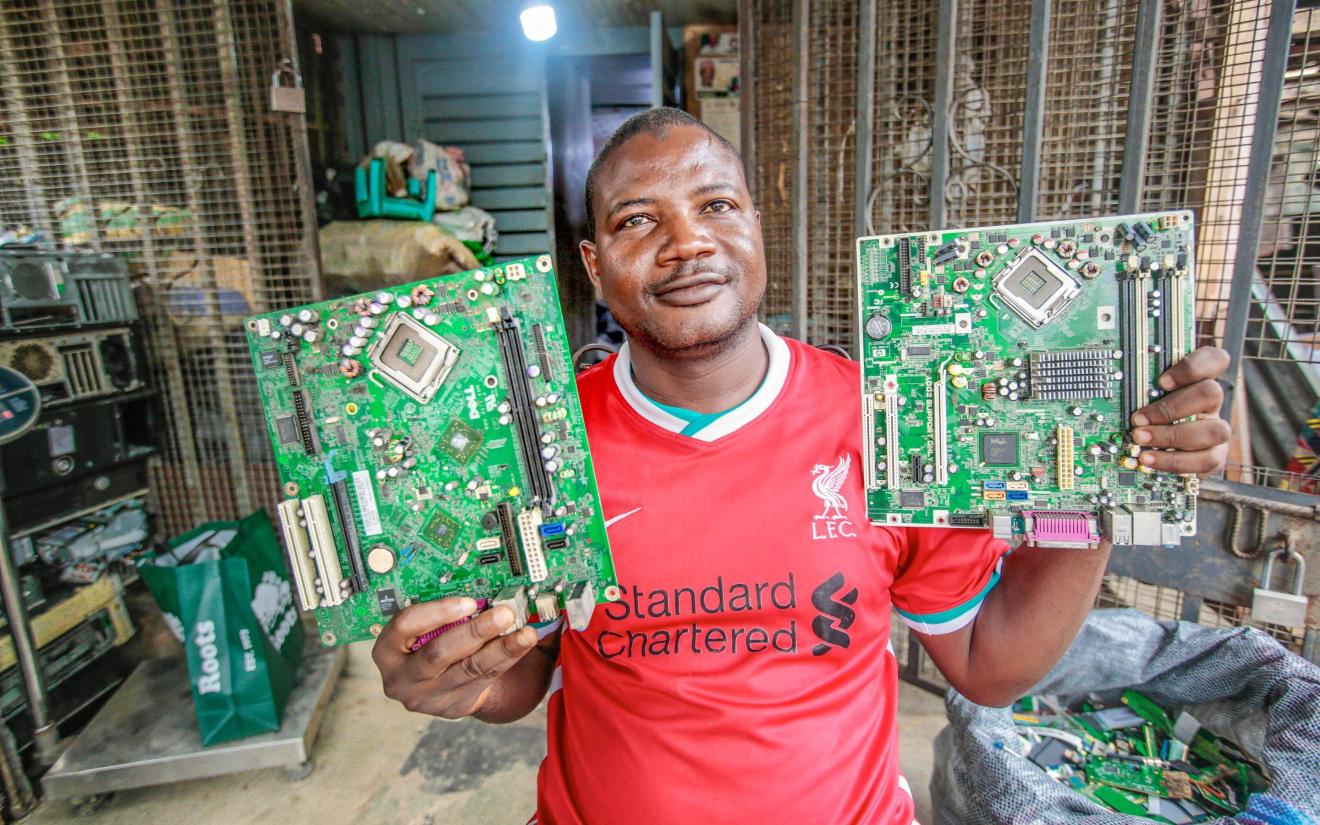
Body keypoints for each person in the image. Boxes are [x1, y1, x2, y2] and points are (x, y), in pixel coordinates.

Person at [372, 107, 1232, 824]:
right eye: (638, 219)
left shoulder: (890, 420)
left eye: (716, 205)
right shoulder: (541, 445)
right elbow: (524, 670)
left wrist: (1101, 490)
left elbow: (986, 661)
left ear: (755, 227)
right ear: (595, 266)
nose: (684, 243)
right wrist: (457, 680)